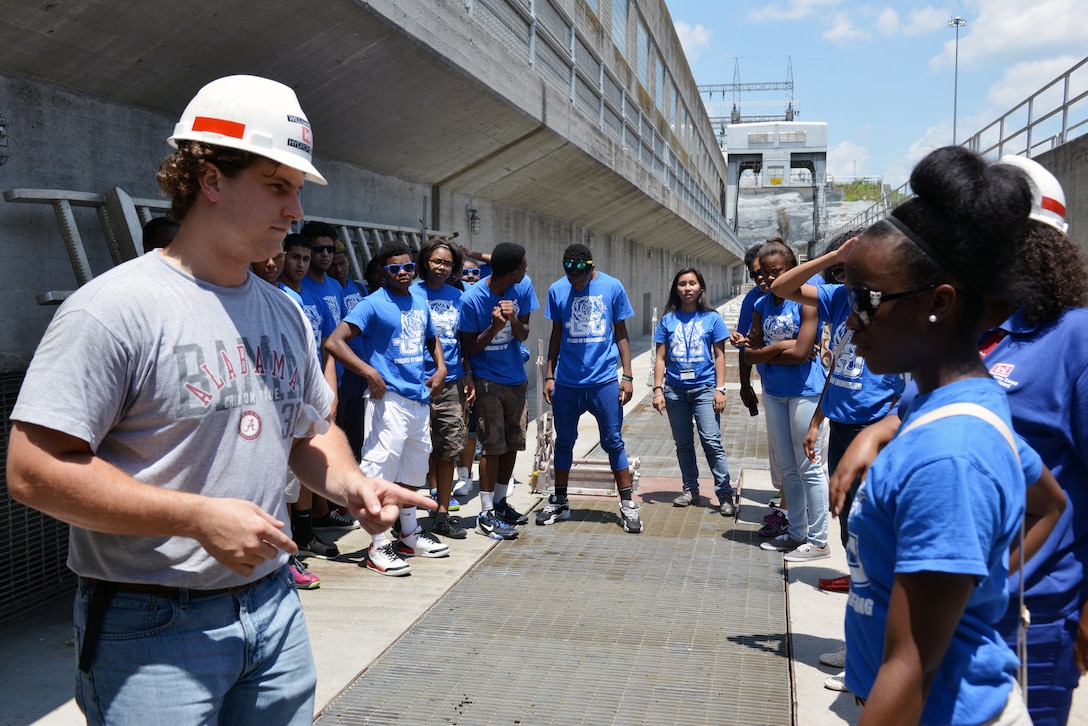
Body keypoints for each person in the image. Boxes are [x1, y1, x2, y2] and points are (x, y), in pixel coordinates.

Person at [5, 74, 431, 723]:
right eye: (278, 186)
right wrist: (197, 518)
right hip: (151, 626)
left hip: (275, 611)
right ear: (210, 179)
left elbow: (310, 431)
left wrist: (351, 484)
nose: (295, 211)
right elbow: (33, 470)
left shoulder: (284, 314)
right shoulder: (114, 310)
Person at [840, 145, 1034, 725]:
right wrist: (977, 589)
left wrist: (967, 599)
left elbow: (913, 663)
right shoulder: (959, 408)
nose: (851, 320)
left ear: (939, 303)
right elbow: (1048, 504)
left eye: (866, 301)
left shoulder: (948, 454)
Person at [769, 228, 904, 585]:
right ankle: (856, 574)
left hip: (874, 427)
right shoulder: (838, 297)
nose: (851, 278)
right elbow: (782, 287)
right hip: (841, 424)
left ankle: (872, 581)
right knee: (845, 510)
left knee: (869, 510)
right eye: (847, 270)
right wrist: (817, 420)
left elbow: (905, 384)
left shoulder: (894, 305)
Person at [325, 241, 450, 576]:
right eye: (395, 269)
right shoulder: (372, 304)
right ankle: (378, 545)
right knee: (380, 469)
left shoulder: (420, 300)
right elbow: (334, 342)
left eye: (408, 267)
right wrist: (368, 372)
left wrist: (439, 368)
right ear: (383, 272)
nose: (403, 273)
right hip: (388, 399)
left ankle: (408, 535)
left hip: (418, 398)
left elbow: (430, 338)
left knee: (413, 468)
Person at [536, 244, 642, 533]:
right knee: (564, 441)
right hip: (568, 384)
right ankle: (559, 500)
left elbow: (621, 333)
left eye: (580, 278)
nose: (575, 283)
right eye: (570, 277)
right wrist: (549, 375)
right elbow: (556, 334)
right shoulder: (558, 290)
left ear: (590, 267)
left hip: (604, 381)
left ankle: (628, 504)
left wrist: (628, 375)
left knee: (613, 441)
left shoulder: (612, 287)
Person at [738, 240, 830, 561]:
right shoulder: (762, 304)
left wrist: (769, 351)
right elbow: (750, 353)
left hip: (806, 391)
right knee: (788, 469)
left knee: (810, 467)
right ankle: (795, 533)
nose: (769, 279)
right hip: (774, 392)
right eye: (763, 273)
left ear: (791, 270)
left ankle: (818, 541)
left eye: (776, 272)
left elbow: (803, 352)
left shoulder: (806, 301)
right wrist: (781, 348)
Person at [458, 242, 538, 540]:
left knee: (513, 443)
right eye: (523, 266)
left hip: (516, 378)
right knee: (492, 446)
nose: (526, 270)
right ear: (512, 271)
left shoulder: (523, 286)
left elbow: (525, 333)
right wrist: (494, 327)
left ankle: (502, 503)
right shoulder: (473, 298)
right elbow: (468, 348)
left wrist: (514, 319)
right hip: (487, 380)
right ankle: (485, 512)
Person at [651, 266, 737, 516]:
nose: (687, 288)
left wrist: (721, 389)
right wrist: (658, 390)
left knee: (711, 441)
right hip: (675, 391)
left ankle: (724, 494)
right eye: (682, 284)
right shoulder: (668, 319)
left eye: (692, 283)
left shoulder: (712, 318)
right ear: (675, 289)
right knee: (684, 443)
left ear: (700, 288)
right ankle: (690, 488)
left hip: (705, 389)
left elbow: (720, 355)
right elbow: (660, 358)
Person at [413, 238, 473, 539]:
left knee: (447, 449)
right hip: (415, 383)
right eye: (437, 261)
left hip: (451, 383)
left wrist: (469, 375)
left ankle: (441, 513)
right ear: (426, 261)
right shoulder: (410, 292)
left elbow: (464, 340)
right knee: (413, 451)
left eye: (448, 263)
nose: (442, 267)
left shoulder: (458, 296)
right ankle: (406, 518)